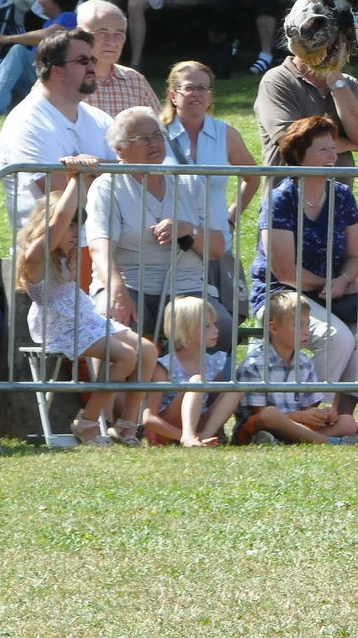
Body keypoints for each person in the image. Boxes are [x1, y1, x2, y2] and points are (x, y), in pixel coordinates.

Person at [249, 116, 358, 410]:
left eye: (332, 148)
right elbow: (285, 272)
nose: (332, 156)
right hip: (281, 293)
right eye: (323, 150)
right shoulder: (280, 200)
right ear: (300, 156)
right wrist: (331, 284)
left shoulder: (342, 194)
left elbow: (353, 256)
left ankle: (342, 415)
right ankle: (307, 413)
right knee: (336, 337)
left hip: (333, 292)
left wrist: (343, 281)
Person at [18, 172, 157, 447]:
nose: (73, 233)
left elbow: (62, 222)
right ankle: (87, 420)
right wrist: (75, 179)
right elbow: (57, 220)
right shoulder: (36, 257)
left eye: (76, 227)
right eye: (69, 227)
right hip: (61, 324)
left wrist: (81, 183)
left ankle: (127, 425)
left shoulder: (63, 256)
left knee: (148, 350)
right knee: (126, 357)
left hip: (84, 318)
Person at [87, 105, 226, 338]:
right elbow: (99, 248)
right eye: (142, 139)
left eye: (156, 135)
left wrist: (188, 230)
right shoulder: (107, 185)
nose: (153, 143)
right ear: (119, 149)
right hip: (130, 286)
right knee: (114, 328)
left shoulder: (188, 182)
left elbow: (217, 249)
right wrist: (116, 289)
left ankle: (194, 376)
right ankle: (111, 376)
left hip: (186, 289)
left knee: (222, 330)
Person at [161, 60, 261, 320]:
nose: (197, 94)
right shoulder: (156, 133)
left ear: (210, 97)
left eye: (203, 88)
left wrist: (232, 217)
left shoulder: (225, 132)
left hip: (216, 245)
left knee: (217, 324)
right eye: (189, 88)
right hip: (167, 246)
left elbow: (252, 177)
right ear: (173, 95)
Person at [0, 28, 116, 231]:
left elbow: (135, 181)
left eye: (93, 60)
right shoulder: (27, 123)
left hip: (102, 245)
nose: (92, 67)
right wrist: (111, 173)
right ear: (56, 70)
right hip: (52, 254)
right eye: (83, 61)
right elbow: (61, 196)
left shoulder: (99, 118)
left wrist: (95, 167)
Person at [233, 288, 358, 445]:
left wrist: (323, 414)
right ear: (274, 328)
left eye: (307, 325)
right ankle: (332, 442)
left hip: (298, 424)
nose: (306, 332)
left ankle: (289, 440)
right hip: (258, 428)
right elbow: (260, 415)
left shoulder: (305, 363)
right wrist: (299, 417)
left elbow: (308, 408)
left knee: (347, 422)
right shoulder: (255, 364)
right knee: (270, 414)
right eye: (298, 325)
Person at [142, 294, 241, 447]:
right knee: (196, 381)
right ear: (185, 330)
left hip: (200, 426)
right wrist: (183, 435)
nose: (216, 330)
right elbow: (149, 418)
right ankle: (188, 437)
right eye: (207, 326)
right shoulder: (164, 367)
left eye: (214, 324)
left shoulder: (216, 362)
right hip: (167, 431)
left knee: (236, 388)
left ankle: (204, 437)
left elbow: (214, 404)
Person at [253, 52, 358, 168]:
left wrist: (335, 80)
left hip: (338, 190)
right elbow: (293, 142)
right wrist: (354, 145)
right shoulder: (275, 80)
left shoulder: (347, 83)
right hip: (292, 188)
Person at [78, 0, 159, 118]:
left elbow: (161, 129)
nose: (111, 42)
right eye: (102, 32)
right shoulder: (62, 80)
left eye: (118, 34)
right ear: (80, 34)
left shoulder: (135, 81)